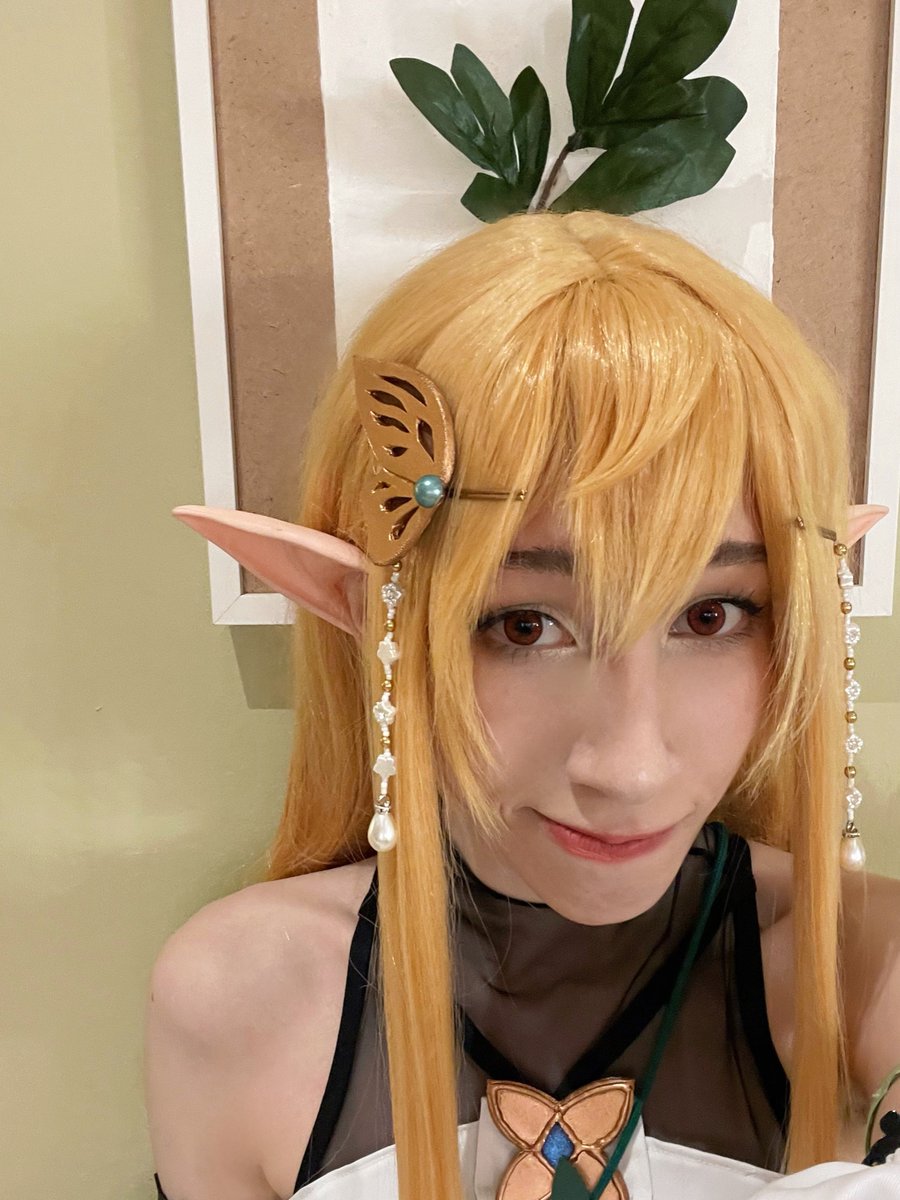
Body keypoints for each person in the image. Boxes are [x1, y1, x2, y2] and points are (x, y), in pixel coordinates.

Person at [144, 210, 900, 1200]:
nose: (630, 767)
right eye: (525, 625)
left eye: (711, 614)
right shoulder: (238, 996)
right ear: (369, 615)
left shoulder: (865, 967)